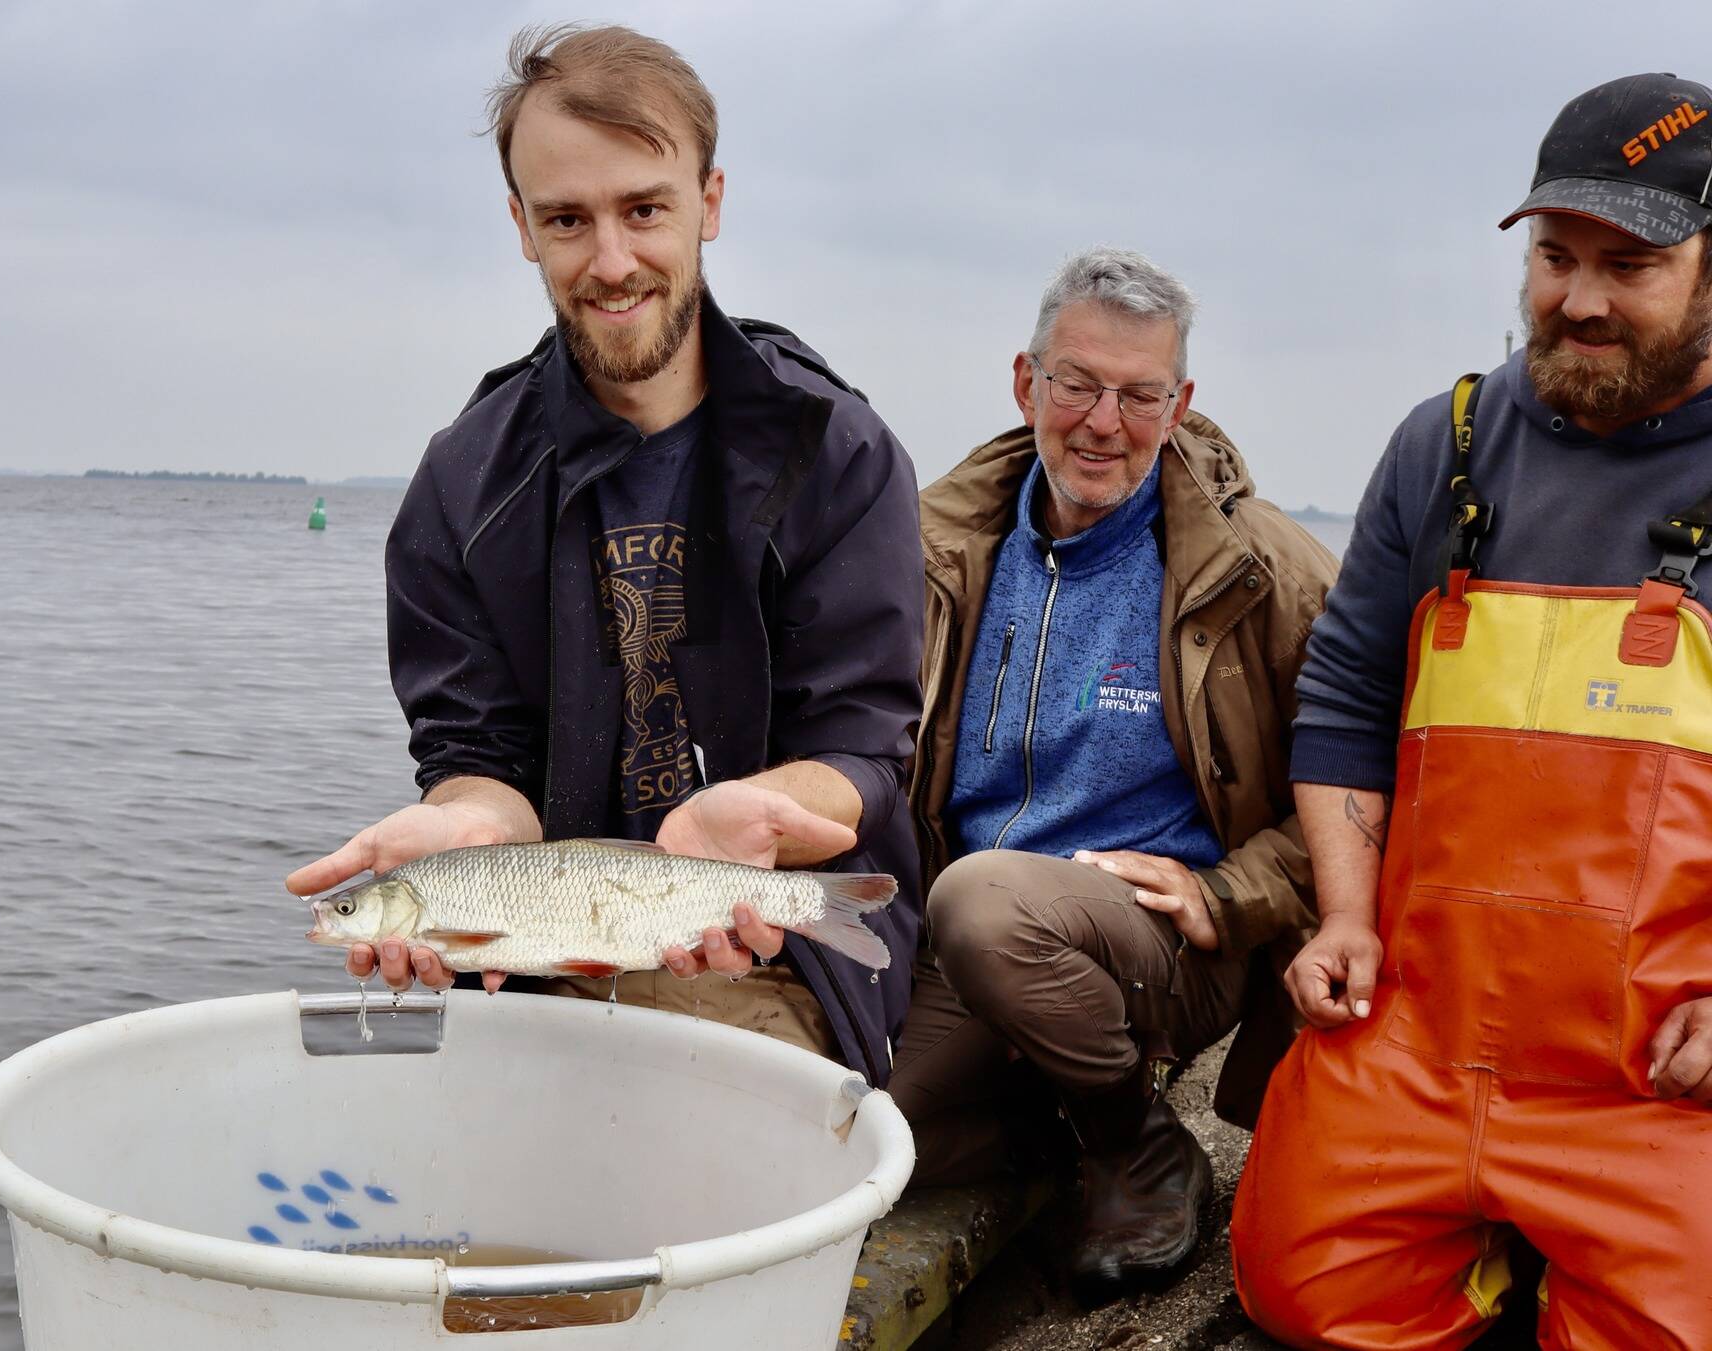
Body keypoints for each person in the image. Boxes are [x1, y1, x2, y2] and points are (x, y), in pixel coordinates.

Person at [285, 23, 924, 1085]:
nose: (612, 260)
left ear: (708, 202)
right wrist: (462, 830)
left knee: (655, 1089)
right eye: (568, 220)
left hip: (779, 949)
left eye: (644, 209)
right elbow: (476, 757)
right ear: (520, 227)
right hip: (539, 949)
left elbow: (863, 752)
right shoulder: (462, 485)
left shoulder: (836, 453)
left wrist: (770, 821)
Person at [1233, 72, 1712, 1349]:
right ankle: (1504, 1243)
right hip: (1423, 1030)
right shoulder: (1442, 442)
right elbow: (1340, 693)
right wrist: (1342, 916)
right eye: (1555, 256)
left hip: (1654, 1068)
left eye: (1633, 263)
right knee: (1294, 1286)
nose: (1581, 299)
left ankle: (1570, 1258)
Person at [886, 247, 1337, 1295]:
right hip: (958, 932)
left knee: (988, 901)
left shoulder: (1268, 573)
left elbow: (1368, 789)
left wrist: (1230, 892)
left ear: (1178, 402)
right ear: (1024, 381)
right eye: (1076, 384)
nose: (1101, 421)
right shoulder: (933, 543)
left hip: (1167, 938)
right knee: (858, 1139)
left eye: (1137, 395)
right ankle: (1058, 1126)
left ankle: (1136, 1140)